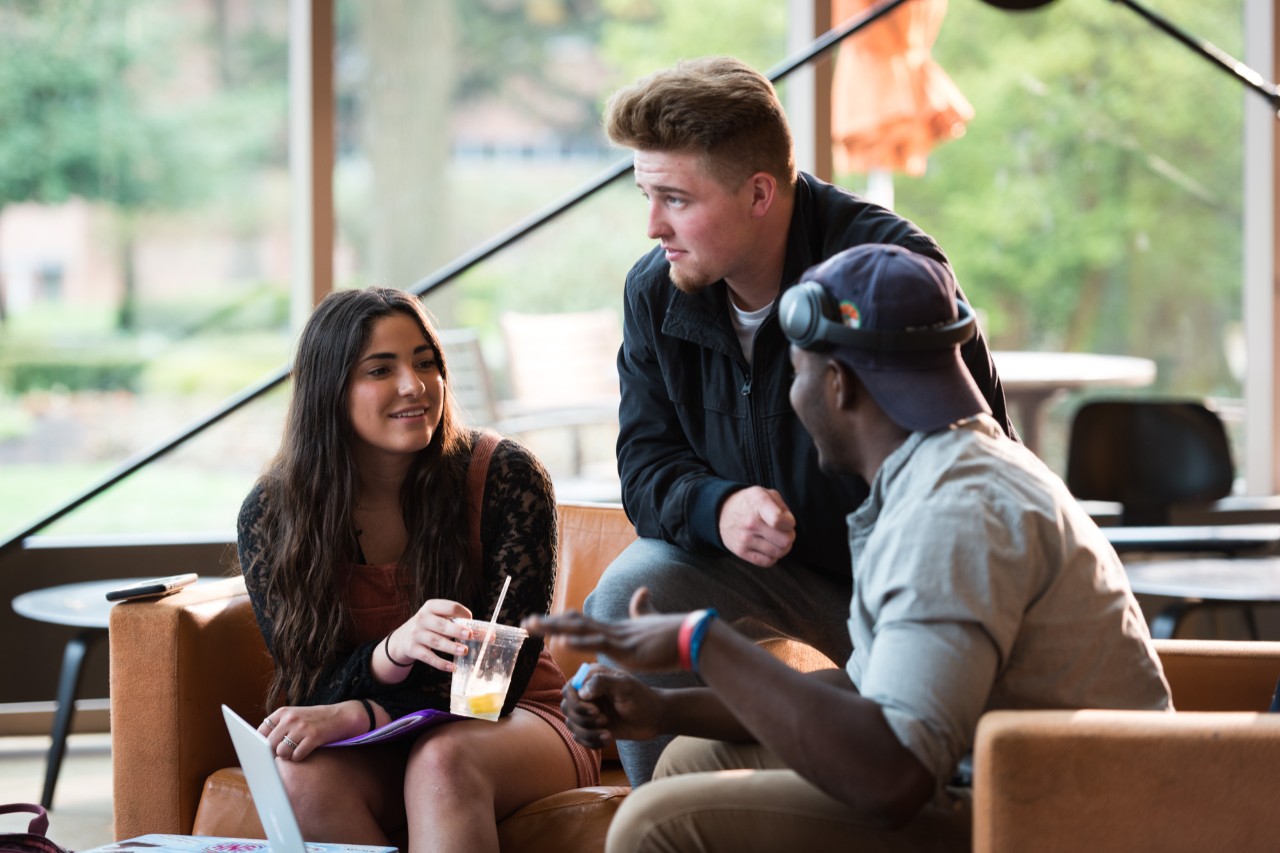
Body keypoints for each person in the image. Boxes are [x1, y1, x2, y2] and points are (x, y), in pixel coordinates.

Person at [527, 244, 1173, 852]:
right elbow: (867, 694)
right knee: (687, 757)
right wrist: (663, 705)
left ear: (839, 385)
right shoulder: (933, 471)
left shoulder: (954, 512)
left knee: (655, 823)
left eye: (798, 371)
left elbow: (891, 779)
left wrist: (703, 641)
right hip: (991, 769)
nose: (791, 394)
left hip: (1062, 812)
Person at [588, 55, 1016, 785]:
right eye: (645, 195)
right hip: (770, 576)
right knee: (634, 591)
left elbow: (970, 460)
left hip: (906, 578)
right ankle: (661, 804)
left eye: (675, 199)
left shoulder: (887, 271)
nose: (653, 225)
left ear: (759, 193)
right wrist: (717, 506)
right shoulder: (656, 291)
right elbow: (644, 466)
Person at [236, 287, 599, 853]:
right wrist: (391, 654)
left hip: (516, 719)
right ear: (328, 391)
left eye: (426, 363)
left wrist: (366, 706)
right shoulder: (272, 514)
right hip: (376, 736)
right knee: (299, 780)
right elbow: (310, 685)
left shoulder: (506, 475)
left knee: (443, 759)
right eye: (381, 369)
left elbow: (492, 686)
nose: (414, 385)